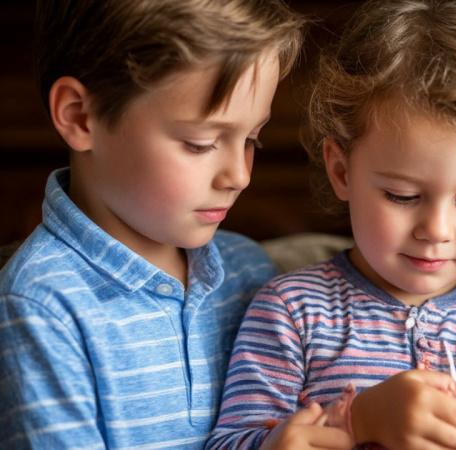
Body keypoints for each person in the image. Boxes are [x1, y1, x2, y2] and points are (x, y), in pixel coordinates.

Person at [206, 0, 456, 449]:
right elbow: (232, 442)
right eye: (403, 196)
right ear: (342, 171)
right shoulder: (291, 311)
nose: (437, 229)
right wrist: (357, 422)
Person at [0, 0, 305, 448]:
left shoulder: (252, 273)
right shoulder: (41, 305)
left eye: (252, 139)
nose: (239, 175)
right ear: (80, 116)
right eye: (200, 143)